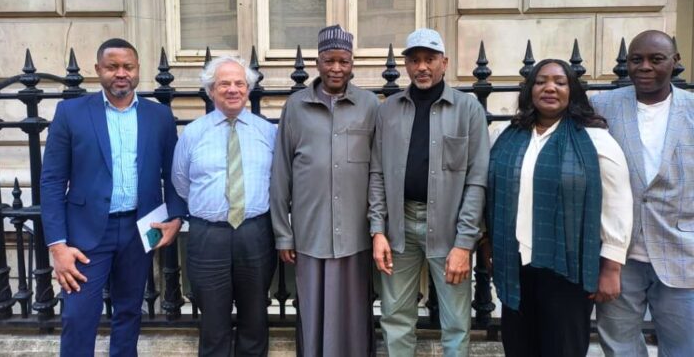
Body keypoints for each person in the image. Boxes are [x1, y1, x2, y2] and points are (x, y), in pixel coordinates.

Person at [40, 38, 186, 357]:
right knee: (79, 317)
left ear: (137, 71)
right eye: (112, 66)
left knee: (129, 313)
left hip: (140, 229)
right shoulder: (71, 113)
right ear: (98, 70)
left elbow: (173, 173)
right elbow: (51, 181)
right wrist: (57, 245)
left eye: (128, 67)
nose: (121, 73)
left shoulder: (158, 116)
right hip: (86, 234)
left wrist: (175, 217)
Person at [486, 58, 633, 357]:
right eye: (541, 81)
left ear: (572, 91)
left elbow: (618, 203)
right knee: (519, 346)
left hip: (569, 268)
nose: (549, 87)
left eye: (560, 82)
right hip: (515, 263)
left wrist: (612, 266)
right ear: (530, 90)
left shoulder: (594, 139)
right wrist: (487, 241)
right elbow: (492, 193)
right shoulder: (508, 137)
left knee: (563, 347)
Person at [368, 28, 489, 357]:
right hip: (399, 225)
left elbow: (477, 180)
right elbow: (376, 171)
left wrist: (464, 243)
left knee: (455, 321)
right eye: (415, 60)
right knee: (395, 316)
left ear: (444, 62)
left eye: (430, 59)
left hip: (449, 229)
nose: (422, 67)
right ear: (406, 65)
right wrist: (377, 230)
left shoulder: (468, 110)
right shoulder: (388, 110)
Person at [270, 24, 379, 357]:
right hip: (310, 232)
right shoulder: (296, 107)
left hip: (354, 233)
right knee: (313, 312)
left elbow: (379, 170)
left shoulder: (369, 105)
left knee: (354, 311)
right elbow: (280, 172)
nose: (336, 68)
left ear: (352, 63)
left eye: (343, 61)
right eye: (329, 60)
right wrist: (283, 234)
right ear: (317, 62)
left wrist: (378, 228)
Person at [593, 30, 694, 357]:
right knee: (619, 348)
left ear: (675, 62)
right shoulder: (602, 106)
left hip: (682, 255)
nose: (645, 67)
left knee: (683, 349)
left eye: (656, 59)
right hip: (619, 257)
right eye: (637, 60)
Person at [172, 56, 276, 357]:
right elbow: (181, 181)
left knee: (254, 319)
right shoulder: (193, 133)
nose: (232, 89)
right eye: (224, 84)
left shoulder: (267, 131)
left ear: (248, 88)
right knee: (213, 323)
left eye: (239, 83)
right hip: (208, 236)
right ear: (211, 91)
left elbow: (279, 179)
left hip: (255, 233)